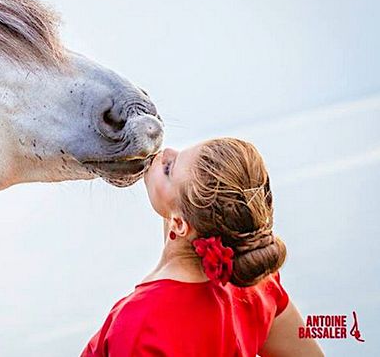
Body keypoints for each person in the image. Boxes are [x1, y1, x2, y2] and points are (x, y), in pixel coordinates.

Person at [81, 138, 323, 356]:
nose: (165, 152)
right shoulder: (254, 285)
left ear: (179, 223)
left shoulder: (141, 324)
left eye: (168, 169)